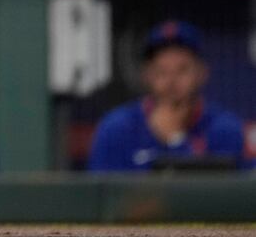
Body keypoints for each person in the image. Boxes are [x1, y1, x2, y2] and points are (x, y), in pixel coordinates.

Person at [87, 20, 249, 172]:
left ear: (202, 73)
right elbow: (103, 191)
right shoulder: (116, 129)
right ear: (147, 75)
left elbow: (232, 191)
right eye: (162, 71)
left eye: (182, 70)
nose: (171, 81)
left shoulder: (225, 129)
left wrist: (175, 138)